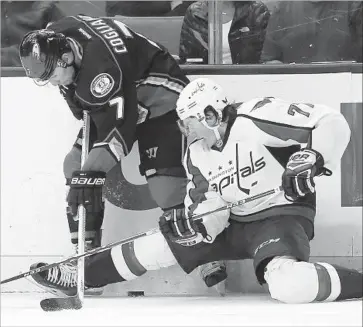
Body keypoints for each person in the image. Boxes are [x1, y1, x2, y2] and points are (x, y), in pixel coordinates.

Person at [28, 78, 363, 304]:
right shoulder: (196, 152)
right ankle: (85, 276)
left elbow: (331, 121)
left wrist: (311, 156)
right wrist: (194, 222)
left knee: (289, 285)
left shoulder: (257, 115)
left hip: (279, 216)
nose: (182, 128)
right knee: (158, 244)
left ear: (210, 113)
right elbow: (208, 205)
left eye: (187, 120)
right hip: (233, 222)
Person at [19, 14, 226, 292]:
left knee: (164, 187)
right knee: (74, 166)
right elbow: (91, 103)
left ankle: (204, 251)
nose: (54, 83)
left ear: (66, 56)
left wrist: (90, 173)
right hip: (120, 96)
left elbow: (121, 131)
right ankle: (86, 261)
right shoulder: (57, 38)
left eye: (53, 75)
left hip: (160, 97)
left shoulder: (101, 68)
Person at [261, 1, 363, 64]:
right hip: (293, 91)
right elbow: (270, 60)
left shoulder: (356, 7)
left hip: (345, 88)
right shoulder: (282, 8)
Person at [179, 1, 270, 64]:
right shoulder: (195, 12)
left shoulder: (256, 10)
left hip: (245, 77)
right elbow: (188, 59)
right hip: (205, 80)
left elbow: (262, 59)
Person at [1, 1, 65, 67]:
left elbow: (58, 50)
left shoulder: (48, 10)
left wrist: (10, 55)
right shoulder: (4, 7)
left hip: (28, 71)